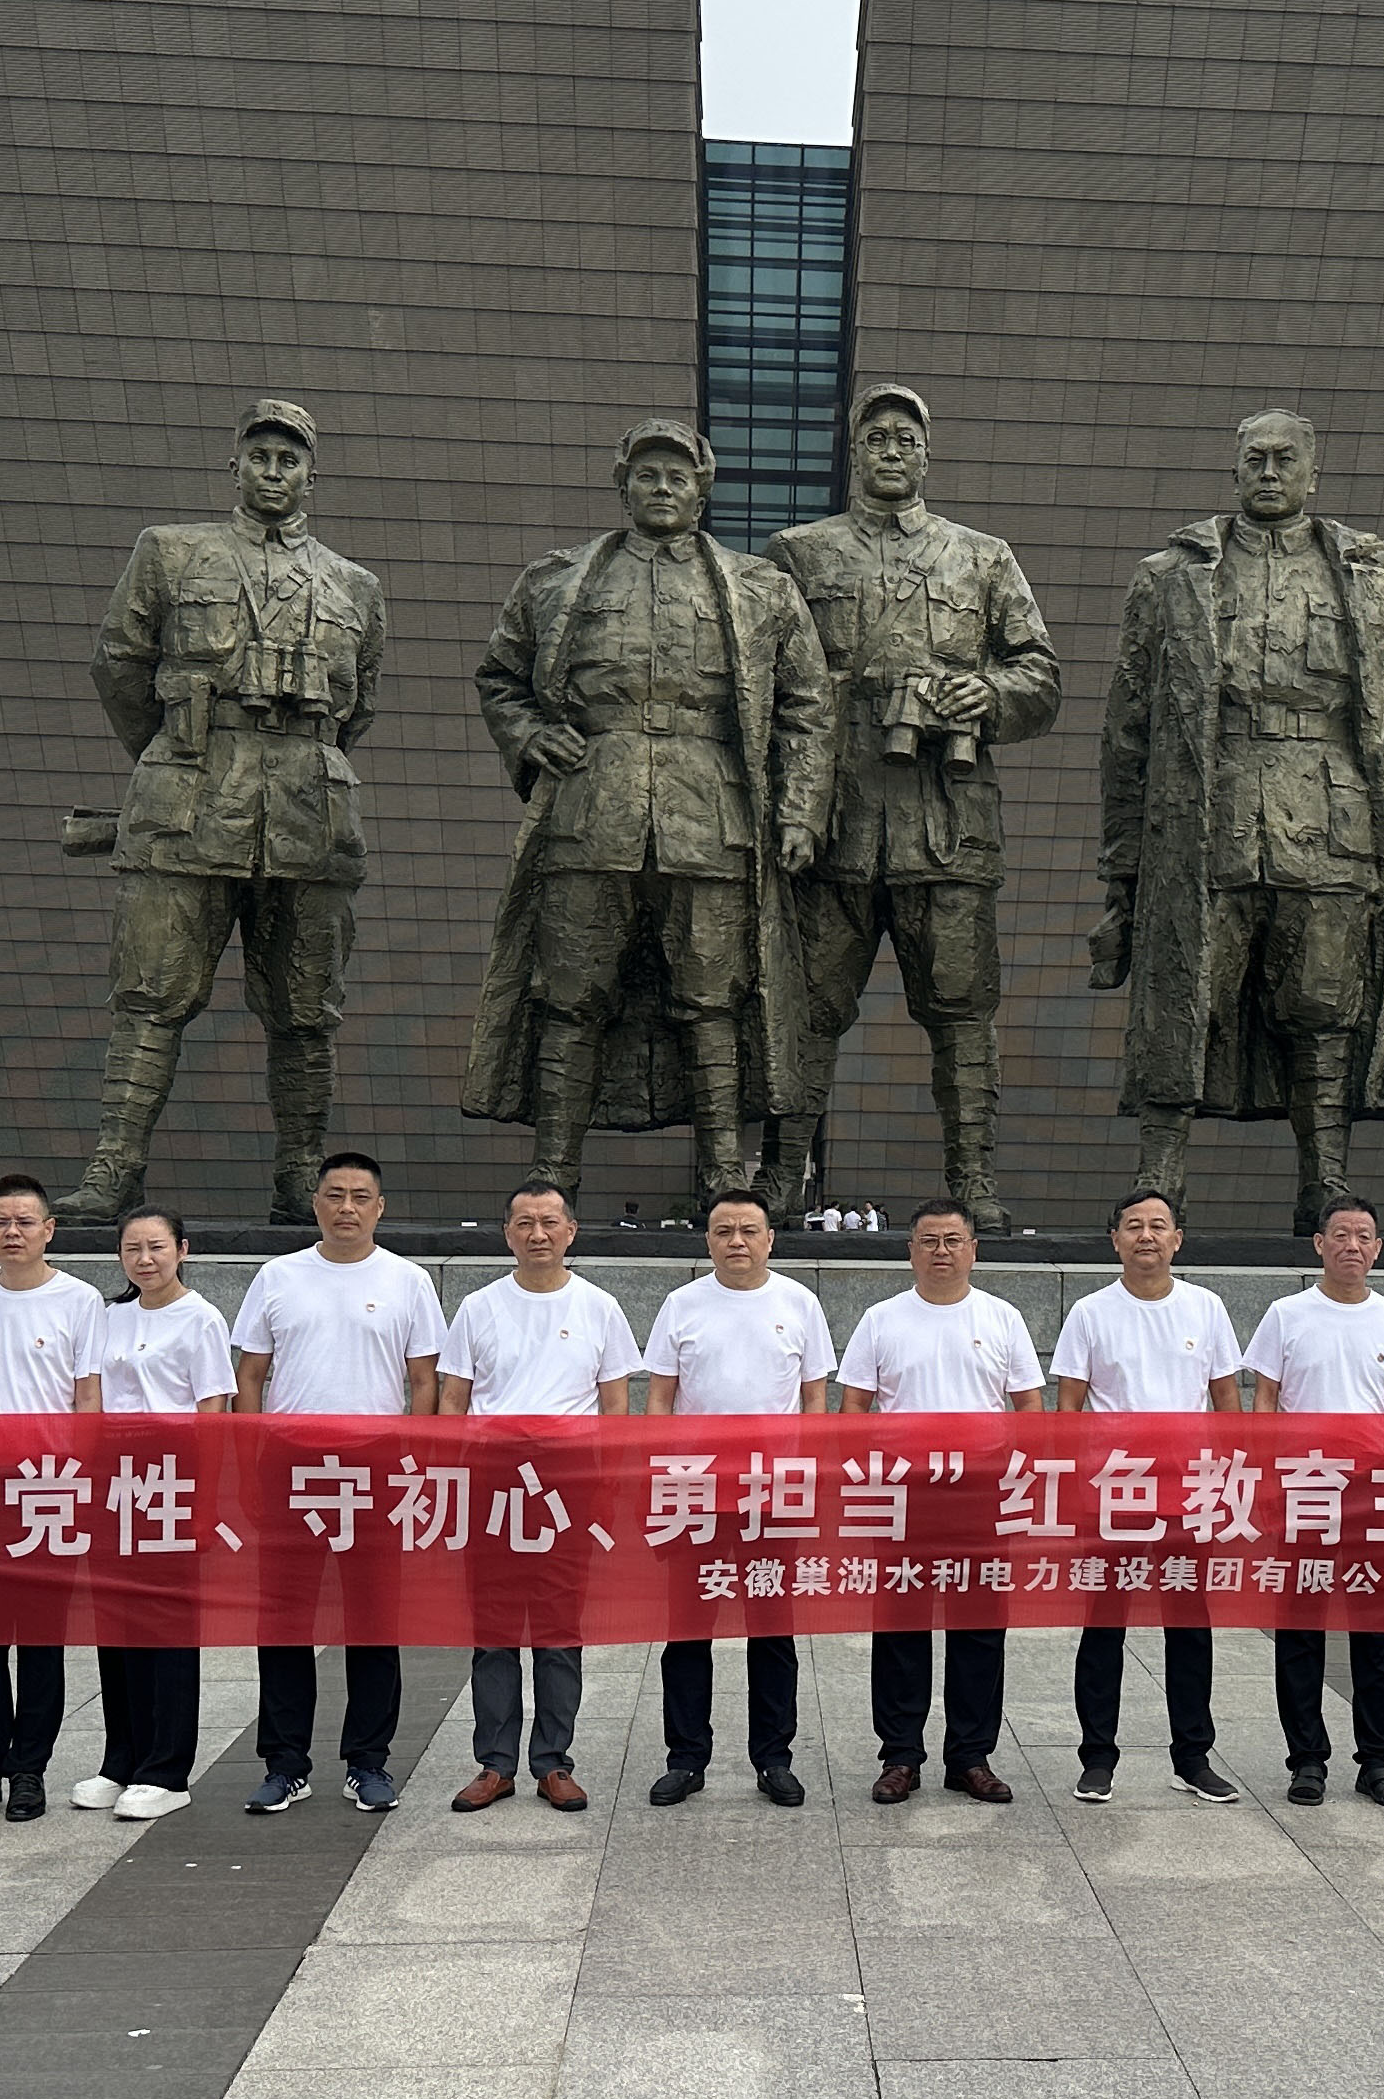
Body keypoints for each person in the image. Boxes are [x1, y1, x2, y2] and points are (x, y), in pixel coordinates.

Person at [1090, 410, 1384, 1228]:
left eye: (1286, 459)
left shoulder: (1376, 578)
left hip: (1334, 822)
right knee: (1183, 997)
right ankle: (1159, 1178)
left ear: (1314, 473)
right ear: (1235, 469)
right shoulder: (1170, 577)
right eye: (1255, 459)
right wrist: (1124, 862)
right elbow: (1127, 728)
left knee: (1322, 1007)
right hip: (1204, 818)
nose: (1270, 472)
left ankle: (1325, 1180)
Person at [462, 416, 831, 1205]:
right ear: (622, 485)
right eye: (647, 475)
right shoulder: (557, 578)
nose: (662, 488)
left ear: (703, 490)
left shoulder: (762, 588)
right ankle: (553, 1172)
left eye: (678, 476)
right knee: (570, 993)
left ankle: (723, 1172)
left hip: (713, 818)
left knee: (714, 999)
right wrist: (529, 734)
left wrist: (800, 812)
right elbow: (500, 676)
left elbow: (807, 706)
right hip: (591, 810)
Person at [63, 397, 388, 1223]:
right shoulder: (170, 553)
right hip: (188, 799)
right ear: (234, 465)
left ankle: (300, 1174)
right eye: (260, 457)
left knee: (307, 1008)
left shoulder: (355, 585)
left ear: (311, 474)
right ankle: (114, 1167)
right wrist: (176, 751)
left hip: (309, 812)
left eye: (290, 460)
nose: (274, 473)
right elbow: (118, 665)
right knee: (150, 994)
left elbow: (357, 706)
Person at [760, 384, 1062, 1228]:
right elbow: (760, 679)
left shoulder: (983, 558)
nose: (891, 451)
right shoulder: (797, 554)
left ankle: (974, 1180)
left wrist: (987, 692)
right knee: (809, 1008)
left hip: (948, 817)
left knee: (963, 1011)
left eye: (906, 439)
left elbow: (1040, 678)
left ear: (927, 456)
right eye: (877, 438)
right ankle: (782, 1175)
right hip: (834, 818)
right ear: (855, 453)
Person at [231, 1149, 443, 1813]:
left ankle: (368, 1762)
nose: (346, 1207)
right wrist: (250, 1459)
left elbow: (424, 1382)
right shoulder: (278, 1276)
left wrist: (415, 1464)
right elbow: (250, 1375)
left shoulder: (408, 1280)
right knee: (283, 1620)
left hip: (375, 1467)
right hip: (291, 1465)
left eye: (360, 1196)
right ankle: (285, 1763)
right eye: (334, 1195)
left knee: (373, 1619)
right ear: (316, 1203)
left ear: (380, 1208)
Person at [436, 1179, 640, 1810]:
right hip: (493, 1483)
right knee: (493, 1629)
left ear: (570, 1231)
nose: (537, 1234)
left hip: (566, 1485)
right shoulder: (479, 1307)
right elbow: (452, 1400)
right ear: (507, 1234)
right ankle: (495, 1764)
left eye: (550, 1222)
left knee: (558, 1628)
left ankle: (553, 1761)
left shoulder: (599, 1307)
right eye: (524, 1222)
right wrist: (451, 1482)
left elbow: (614, 1405)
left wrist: (607, 1486)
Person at [838, 1197, 1043, 1801]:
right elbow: (854, 1405)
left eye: (953, 1240)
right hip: (904, 1492)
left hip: (980, 1491)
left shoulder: (1002, 1317)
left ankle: (970, 1756)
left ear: (973, 1249)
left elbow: (1029, 1406)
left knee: (979, 1627)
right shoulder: (881, 1319)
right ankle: (900, 1755)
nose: (941, 1251)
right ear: (911, 1251)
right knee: (900, 1626)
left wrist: (1017, 1475)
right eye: (929, 1240)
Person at [1052, 1188, 1245, 1804]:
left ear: (1176, 1239)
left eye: (1158, 1226)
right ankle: (1097, 1757)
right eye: (1133, 1225)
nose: (1146, 1236)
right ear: (1115, 1240)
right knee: (1104, 1625)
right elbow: (1069, 1407)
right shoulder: (1091, 1312)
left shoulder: (1206, 1308)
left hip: (1189, 1491)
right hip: (1116, 1491)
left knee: (1189, 1626)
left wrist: (1234, 1481)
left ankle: (1192, 1757)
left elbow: (1227, 1400)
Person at [640, 1187, 830, 1803]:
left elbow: (814, 1399)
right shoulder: (682, 1304)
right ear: (708, 1240)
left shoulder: (799, 1303)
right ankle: (686, 1758)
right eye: (724, 1231)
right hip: (694, 1490)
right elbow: (660, 1397)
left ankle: (773, 1758)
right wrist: (658, 1474)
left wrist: (810, 1475)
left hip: (772, 1493)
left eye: (749, 1230)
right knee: (687, 1631)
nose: (737, 1242)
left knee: (771, 1630)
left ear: (770, 1239)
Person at [0, 1173, 107, 1822]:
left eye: (25, 1221)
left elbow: (87, 1395)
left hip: (48, 1487)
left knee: (40, 1640)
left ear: (48, 1230)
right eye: (0, 1222)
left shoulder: (80, 1300)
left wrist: (82, 1482)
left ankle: (29, 1768)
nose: (13, 1232)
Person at [1242, 1194, 1384, 1806]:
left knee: (1377, 1632)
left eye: (1364, 1236)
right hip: (1305, 1485)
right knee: (1301, 1628)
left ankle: (1378, 1761)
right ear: (1319, 1244)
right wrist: (1265, 1482)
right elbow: (1264, 1401)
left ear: (1378, 1249)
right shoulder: (1287, 1314)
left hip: (1375, 1491)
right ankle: (1307, 1759)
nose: (1352, 1245)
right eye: (1340, 1234)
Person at [62, 1206, 235, 1823]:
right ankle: (122, 1760)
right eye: (132, 1248)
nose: (145, 1259)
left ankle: (166, 1770)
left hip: (172, 1477)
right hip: (113, 1479)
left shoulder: (202, 1318)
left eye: (157, 1246)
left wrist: (205, 1502)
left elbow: (213, 1413)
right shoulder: (108, 1317)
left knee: (167, 1627)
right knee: (116, 1625)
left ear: (182, 1250)